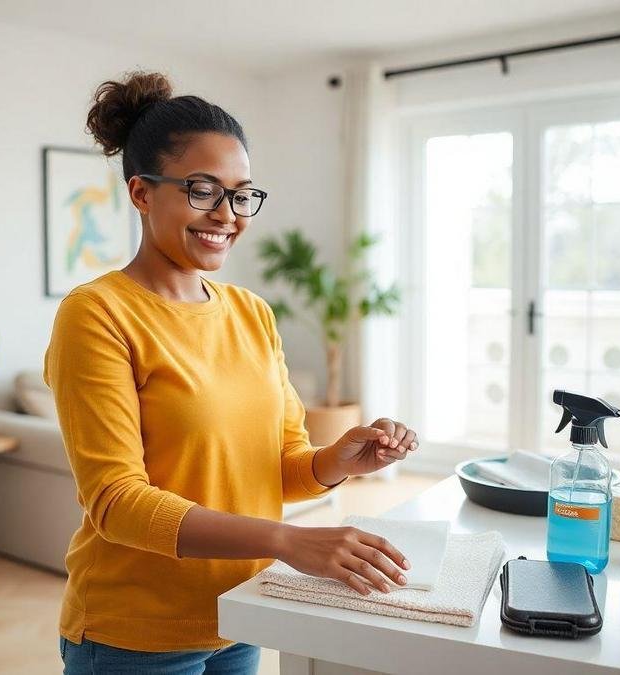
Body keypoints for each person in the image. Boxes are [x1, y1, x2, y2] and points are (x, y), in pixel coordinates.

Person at [46, 70, 419, 675]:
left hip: (240, 614)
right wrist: (286, 542)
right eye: (202, 190)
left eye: (241, 193)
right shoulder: (98, 314)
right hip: (134, 635)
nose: (228, 214)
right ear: (141, 193)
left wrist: (338, 462)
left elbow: (279, 467)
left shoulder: (251, 313)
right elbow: (115, 501)